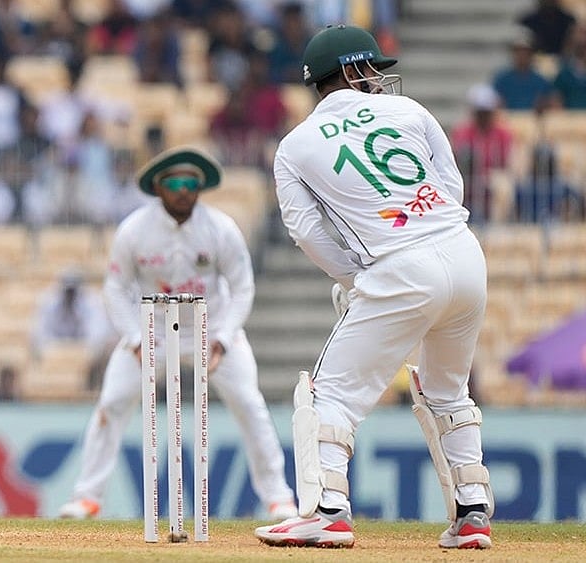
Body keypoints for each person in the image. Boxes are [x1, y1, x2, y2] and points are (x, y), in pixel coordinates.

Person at [260, 25, 493, 549]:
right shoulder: (410, 111)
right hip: (463, 253)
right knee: (448, 390)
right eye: (371, 69)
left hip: (397, 267)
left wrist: (356, 277)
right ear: (350, 70)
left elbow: (306, 232)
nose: (379, 79)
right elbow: (451, 188)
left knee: (330, 395)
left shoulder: (294, 145)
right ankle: (472, 513)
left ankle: (327, 511)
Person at [57, 146, 297, 521]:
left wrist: (224, 338)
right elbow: (115, 289)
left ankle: (278, 498)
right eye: (175, 184)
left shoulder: (221, 229)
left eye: (191, 184)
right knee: (111, 403)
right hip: (152, 332)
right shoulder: (134, 230)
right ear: (158, 188)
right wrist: (136, 340)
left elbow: (242, 288)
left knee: (250, 406)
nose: (183, 191)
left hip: (212, 329)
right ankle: (87, 497)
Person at [450, 83, 513, 224]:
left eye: (487, 112)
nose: (484, 117)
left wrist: (487, 176)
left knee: (502, 185)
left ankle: (496, 225)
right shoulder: (462, 132)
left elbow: (506, 163)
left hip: (492, 178)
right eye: (480, 112)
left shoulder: (503, 134)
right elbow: (457, 158)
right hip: (466, 178)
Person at [491, 31, 553, 112]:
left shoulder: (541, 81)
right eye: (518, 52)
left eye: (526, 53)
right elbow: (495, 103)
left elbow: (550, 103)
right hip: (508, 118)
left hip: (533, 119)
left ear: (531, 55)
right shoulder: (502, 79)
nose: (522, 56)